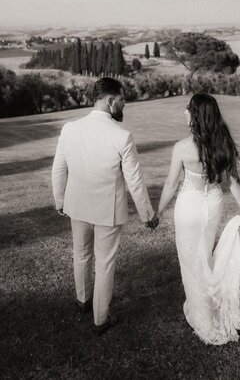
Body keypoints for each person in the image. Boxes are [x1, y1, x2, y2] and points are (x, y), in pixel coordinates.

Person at [51, 77, 158, 334]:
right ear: (110, 102)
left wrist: (60, 201)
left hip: (77, 206)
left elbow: (59, 169)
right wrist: (147, 215)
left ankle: (83, 300)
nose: (124, 105)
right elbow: (135, 180)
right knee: (105, 263)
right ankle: (101, 319)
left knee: (82, 255)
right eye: (122, 100)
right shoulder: (122, 136)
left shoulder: (70, 128)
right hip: (106, 212)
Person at [156, 93, 240, 345]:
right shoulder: (223, 144)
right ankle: (208, 302)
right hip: (213, 205)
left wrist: (157, 213)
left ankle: (203, 316)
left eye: (188, 108)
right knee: (206, 255)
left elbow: (170, 184)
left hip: (189, 208)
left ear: (195, 115)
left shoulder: (182, 147)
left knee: (191, 260)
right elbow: (232, 181)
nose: (184, 111)